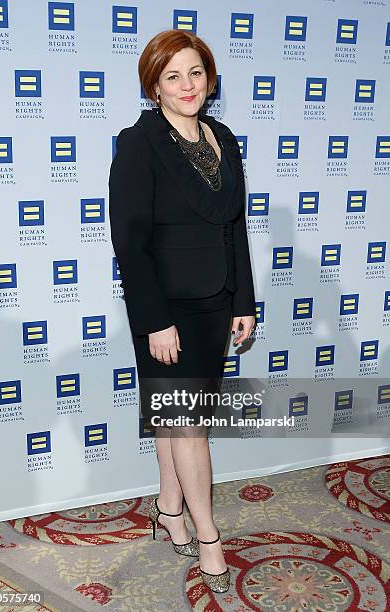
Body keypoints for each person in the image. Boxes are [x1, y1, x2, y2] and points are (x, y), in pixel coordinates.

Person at [108, 29, 256, 594]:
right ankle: (210, 540)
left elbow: (234, 226)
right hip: (165, 308)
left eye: (195, 72)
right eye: (172, 76)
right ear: (155, 86)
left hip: (216, 302)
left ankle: (170, 510)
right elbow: (130, 240)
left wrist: (242, 299)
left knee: (175, 417)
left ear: (210, 78)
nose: (187, 85)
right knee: (189, 424)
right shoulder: (139, 144)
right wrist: (153, 320)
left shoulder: (224, 138)